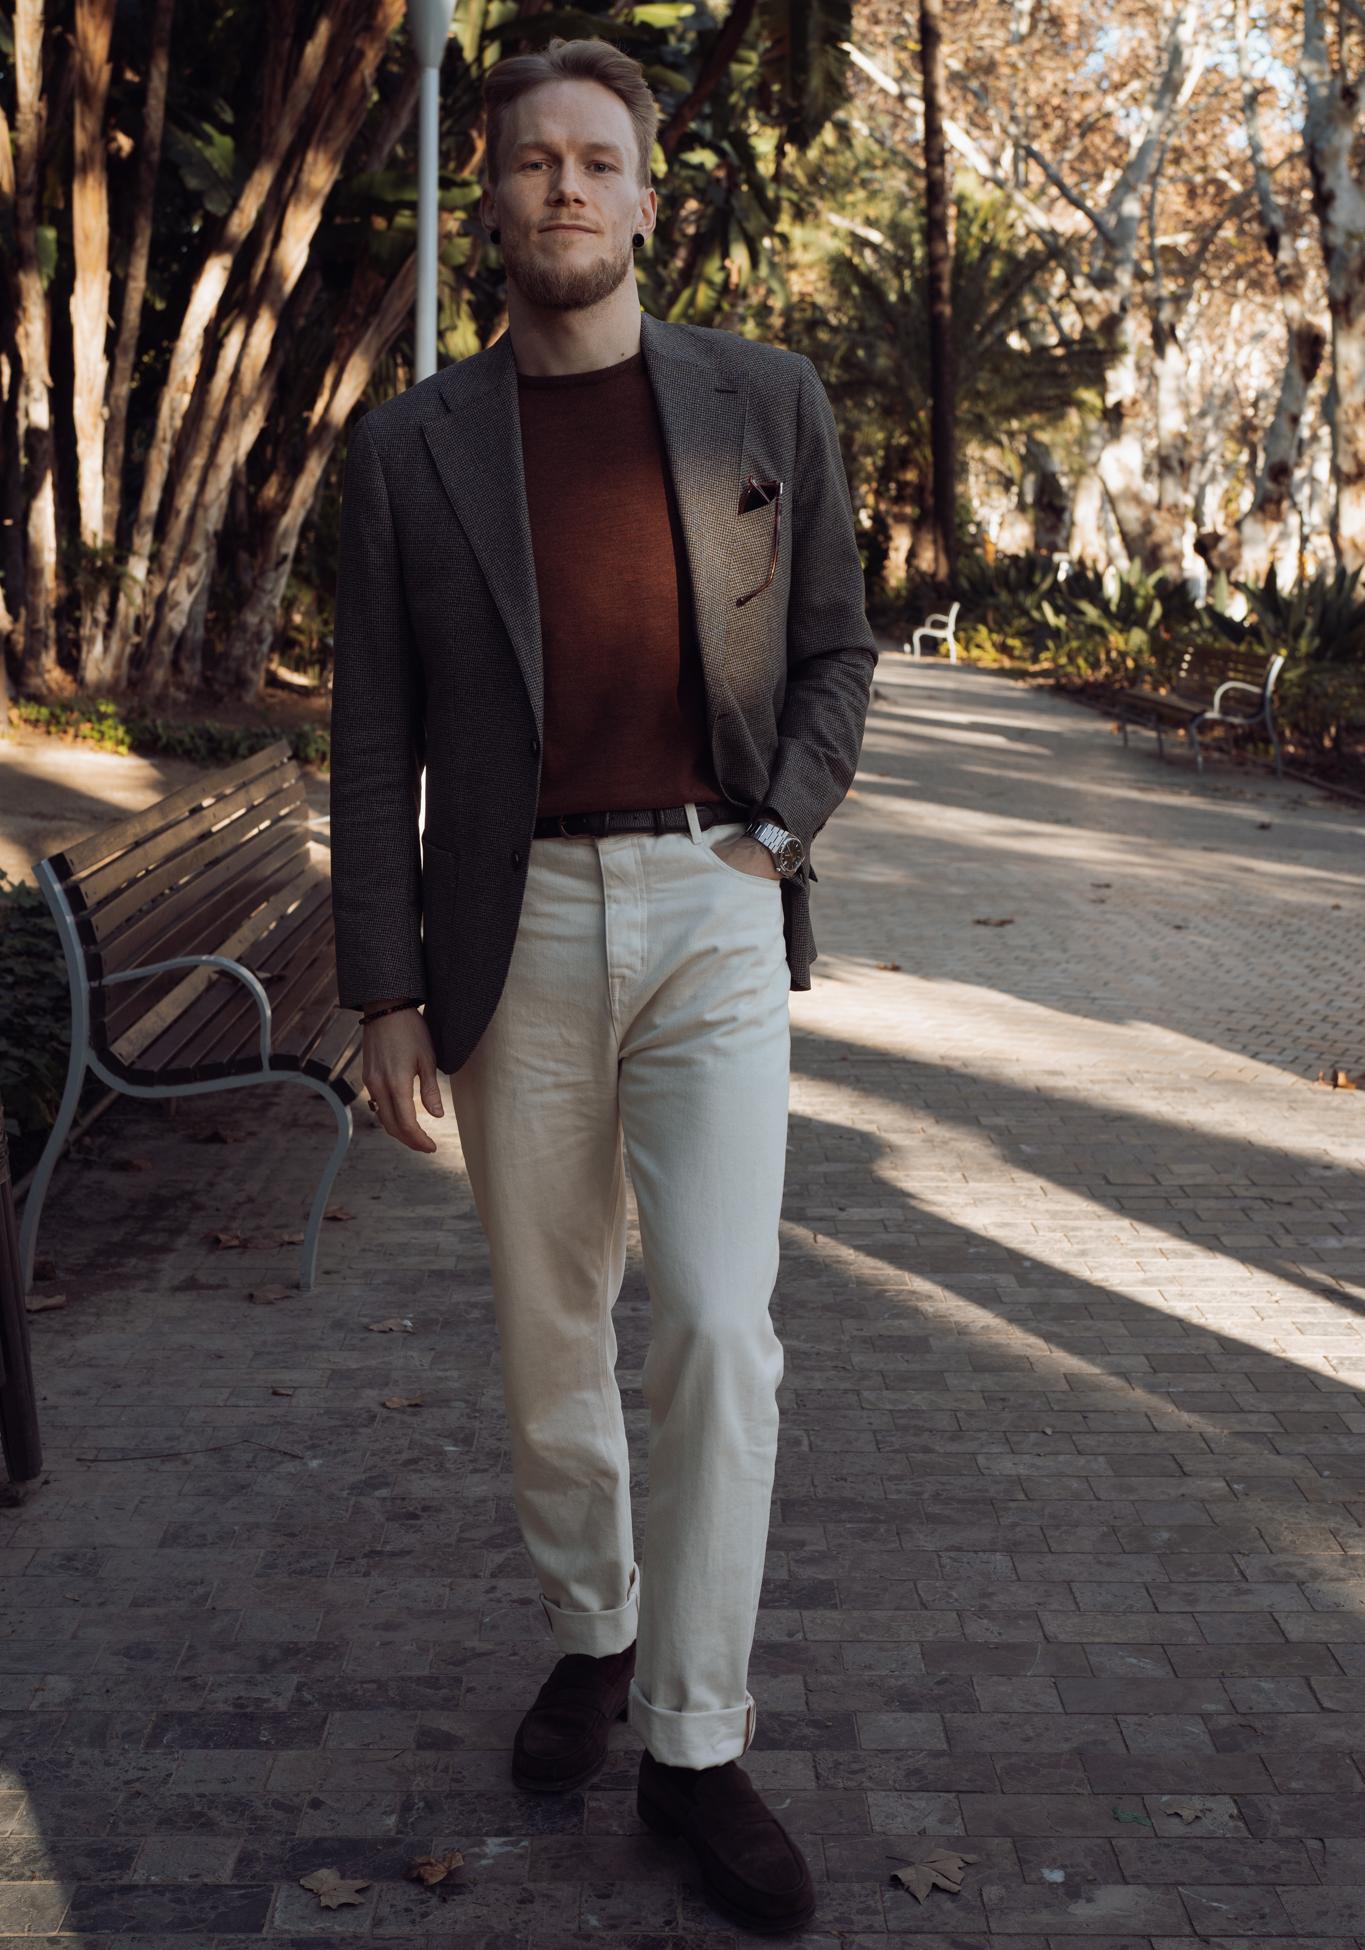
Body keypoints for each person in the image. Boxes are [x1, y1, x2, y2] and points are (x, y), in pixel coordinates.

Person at [329, 33, 876, 1936]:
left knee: (720, 1323)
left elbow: (834, 651)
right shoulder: (406, 447)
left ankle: (696, 1741)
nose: (564, 186)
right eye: (531, 160)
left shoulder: (763, 401)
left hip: (714, 904)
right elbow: (374, 723)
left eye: (597, 159)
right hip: (512, 930)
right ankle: (591, 1627)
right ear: (490, 195)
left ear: (649, 195)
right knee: (551, 1328)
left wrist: (777, 834)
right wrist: (382, 982)